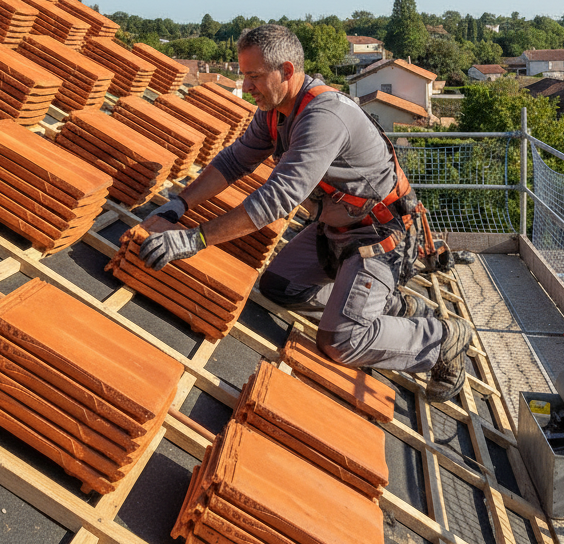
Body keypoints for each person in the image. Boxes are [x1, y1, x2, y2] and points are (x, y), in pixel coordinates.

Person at [139, 24, 472, 402]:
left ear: (286, 71)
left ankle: (443, 339)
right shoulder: (276, 111)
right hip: (335, 231)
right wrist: (180, 204)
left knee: (340, 340)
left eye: (253, 76)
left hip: (381, 238)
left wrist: (194, 239)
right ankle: (395, 307)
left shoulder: (322, 117)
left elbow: (278, 198)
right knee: (280, 286)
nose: (246, 87)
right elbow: (235, 162)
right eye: (243, 75)